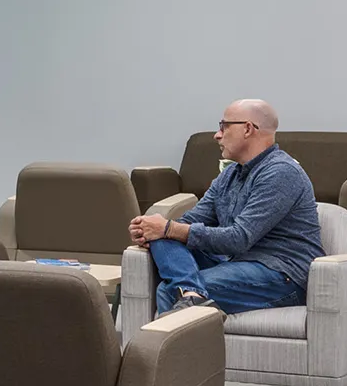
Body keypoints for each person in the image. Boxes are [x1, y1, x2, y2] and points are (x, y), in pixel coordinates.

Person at [129, 98, 322, 314]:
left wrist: (169, 228)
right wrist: (152, 230)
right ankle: (191, 293)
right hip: (236, 262)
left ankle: (188, 298)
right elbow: (190, 221)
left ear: (247, 129)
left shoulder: (281, 172)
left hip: (281, 273)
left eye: (224, 126)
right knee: (163, 237)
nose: (217, 135)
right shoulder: (230, 173)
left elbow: (239, 238)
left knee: (168, 288)